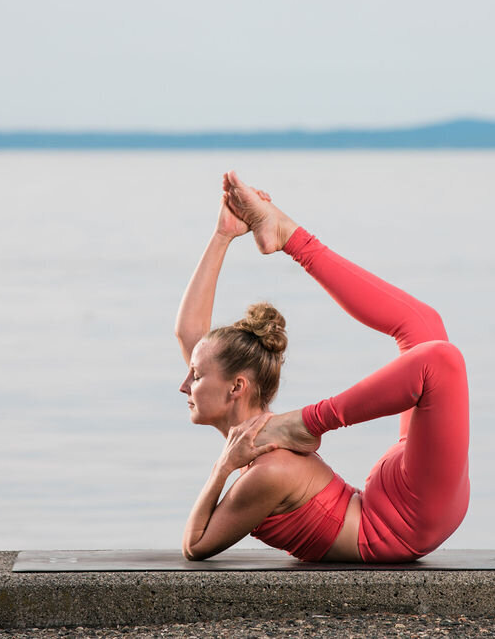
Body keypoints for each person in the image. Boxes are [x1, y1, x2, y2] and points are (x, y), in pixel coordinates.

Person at [175, 171, 470, 563]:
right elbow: (189, 334)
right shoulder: (260, 457)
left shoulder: (267, 466)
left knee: (427, 334)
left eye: (195, 376)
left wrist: (225, 467)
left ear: (236, 387)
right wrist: (222, 236)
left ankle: (290, 237)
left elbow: (195, 546)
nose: (183, 385)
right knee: (437, 356)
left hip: (401, 513)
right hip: (397, 514)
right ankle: (286, 237)